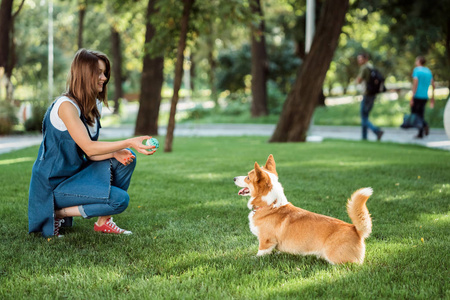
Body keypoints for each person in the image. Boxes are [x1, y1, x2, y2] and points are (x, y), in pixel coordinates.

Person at [28, 49, 156, 238]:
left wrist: (116, 152)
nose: (104, 78)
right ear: (84, 74)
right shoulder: (65, 106)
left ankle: (104, 222)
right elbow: (89, 147)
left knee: (126, 158)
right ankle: (56, 213)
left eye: (105, 73)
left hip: (75, 176)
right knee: (119, 200)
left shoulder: (94, 106)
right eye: (99, 73)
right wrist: (129, 141)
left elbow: (89, 154)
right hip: (53, 185)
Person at [356, 53, 384, 141]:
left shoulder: (364, 68)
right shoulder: (371, 67)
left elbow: (359, 80)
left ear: (365, 59)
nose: (359, 61)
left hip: (367, 94)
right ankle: (364, 137)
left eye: (360, 59)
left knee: (363, 117)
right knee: (365, 116)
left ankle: (376, 131)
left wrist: (356, 81)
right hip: (372, 94)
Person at [410, 56, 435, 138]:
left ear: (419, 61)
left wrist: (412, 97)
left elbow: (415, 84)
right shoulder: (428, 71)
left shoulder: (417, 70)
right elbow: (433, 85)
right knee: (421, 114)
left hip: (417, 95)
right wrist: (432, 98)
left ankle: (424, 125)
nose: (415, 62)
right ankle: (420, 133)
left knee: (415, 114)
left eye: (416, 60)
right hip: (425, 96)